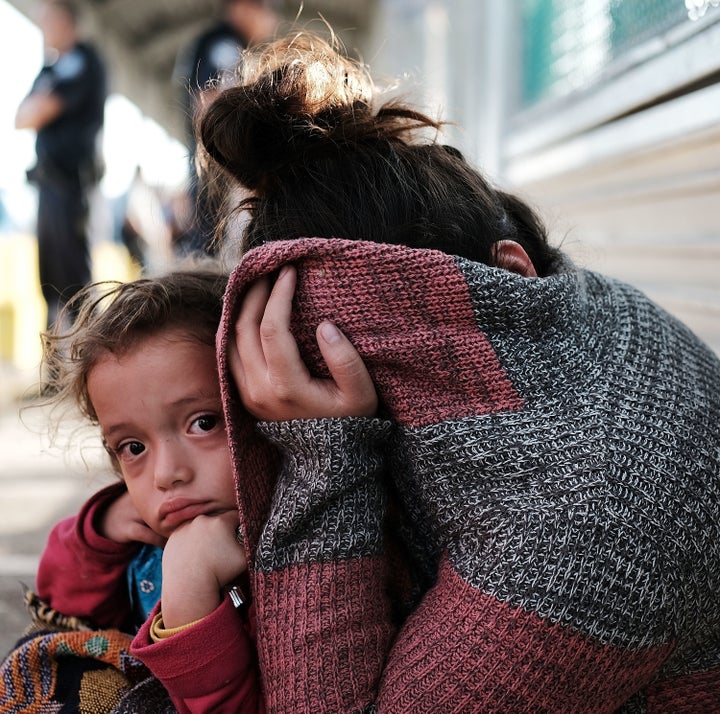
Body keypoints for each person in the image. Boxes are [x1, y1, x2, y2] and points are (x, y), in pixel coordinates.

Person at [197, 33, 720, 712]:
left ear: (512, 275)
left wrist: (323, 456)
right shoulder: (599, 315)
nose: (346, 402)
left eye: (389, 376)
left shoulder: (574, 542)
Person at [0, 270, 264, 712]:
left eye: (203, 423)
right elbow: (60, 601)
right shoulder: (148, 540)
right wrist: (102, 528)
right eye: (133, 447)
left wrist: (191, 587)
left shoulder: (295, 559)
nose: (166, 474)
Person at [15, 0, 106, 329]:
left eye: (48, 20)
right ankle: (56, 368)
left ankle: (84, 362)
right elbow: (21, 117)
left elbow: (41, 110)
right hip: (46, 183)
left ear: (66, 21)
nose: (43, 28)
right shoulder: (49, 70)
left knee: (74, 282)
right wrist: (39, 108)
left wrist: (41, 109)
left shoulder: (84, 59)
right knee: (49, 280)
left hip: (73, 183)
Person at [173, 0, 279, 257]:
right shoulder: (225, 46)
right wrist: (238, 160)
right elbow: (208, 102)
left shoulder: (218, 42)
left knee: (209, 242)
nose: (272, 19)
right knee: (214, 246)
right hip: (220, 164)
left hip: (212, 161)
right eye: (267, 8)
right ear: (242, 6)